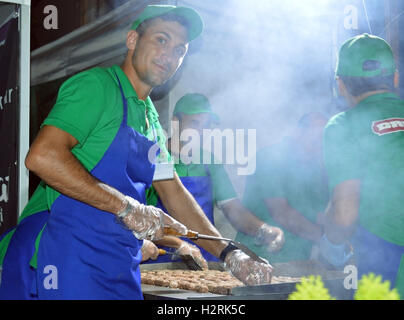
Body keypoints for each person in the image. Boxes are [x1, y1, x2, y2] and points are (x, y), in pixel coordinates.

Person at [0, 5, 272, 300]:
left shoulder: (151, 120)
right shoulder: (97, 87)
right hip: (67, 258)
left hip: (118, 264)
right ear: (132, 40)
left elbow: (173, 192)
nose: (170, 56)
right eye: (161, 39)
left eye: (181, 49)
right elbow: (43, 157)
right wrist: (128, 207)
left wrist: (230, 252)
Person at [145, 93, 284, 266]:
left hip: (206, 258)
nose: (201, 132)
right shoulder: (153, 158)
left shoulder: (210, 161)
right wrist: (179, 244)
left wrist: (263, 229)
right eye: (195, 123)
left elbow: (234, 209)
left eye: (207, 125)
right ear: (175, 122)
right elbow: (141, 220)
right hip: (161, 258)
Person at [319, 33, 404, 298]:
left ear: (340, 85)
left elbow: (345, 212)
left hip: (389, 267)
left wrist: (330, 245)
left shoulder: (343, 125)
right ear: (395, 78)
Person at [235, 112, 330, 264]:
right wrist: (324, 239)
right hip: (259, 257)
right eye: (315, 138)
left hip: (298, 259)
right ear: (299, 132)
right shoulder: (270, 157)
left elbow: (317, 212)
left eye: (323, 140)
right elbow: (281, 213)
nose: (319, 144)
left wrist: (339, 235)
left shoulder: (318, 167)